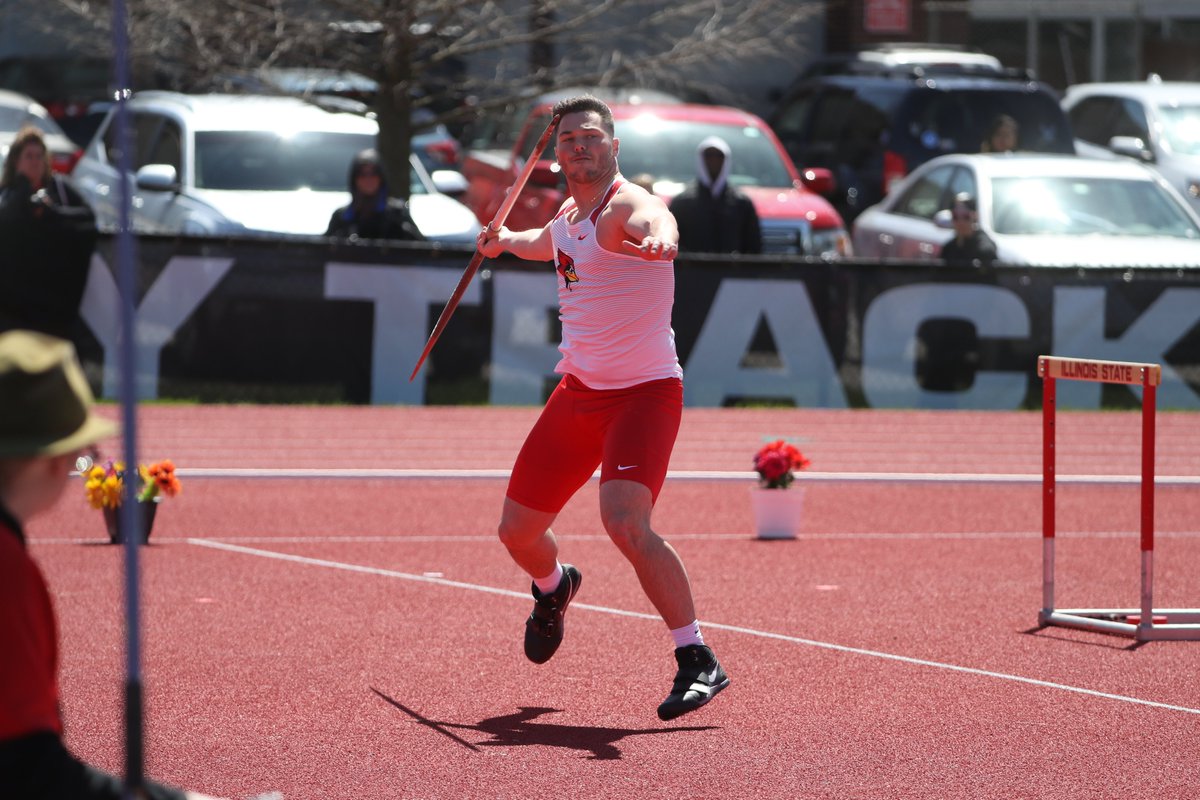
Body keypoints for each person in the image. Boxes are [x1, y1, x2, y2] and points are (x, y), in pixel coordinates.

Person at [476, 95, 729, 722]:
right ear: (555, 153)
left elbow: (657, 222)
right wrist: (506, 242)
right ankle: (554, 587)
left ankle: (696, 657)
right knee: (516, 532)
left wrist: (660, 243)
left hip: (643, 395)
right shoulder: (569, 213)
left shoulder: (627, 206)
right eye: (567, 141)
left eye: (590, 137)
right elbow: (552, 244)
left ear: (614, 146)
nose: (578, 147)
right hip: (580, 394)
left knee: (625, 522)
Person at [0, 330, 229, 800]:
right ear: (49, 460)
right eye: (83, 452)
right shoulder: (7, 573)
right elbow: (28, 772)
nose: (85, 463)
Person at [0, 126, 97, 338]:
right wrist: (23, 189)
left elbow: (88, 218)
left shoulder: (60, 189)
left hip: (53, 302)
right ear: (16, 161)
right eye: (28, 156)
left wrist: (53, 213)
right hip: (13, 305)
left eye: (39, 156)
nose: (35, 162)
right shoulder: (7, 193)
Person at [669, 135, 762, 254]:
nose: (714, 160)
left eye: (719, 156)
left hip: (732, 271)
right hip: (694, 271)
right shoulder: (682, 202)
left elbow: (753, 246)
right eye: (708, 156)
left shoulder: (742, 202)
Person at [325, 149, 425, 241]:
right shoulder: (342, 217)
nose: (368, 179)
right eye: (362, 174)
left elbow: (421, 248)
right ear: (354, 179)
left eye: (373, 174)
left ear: (381, 178)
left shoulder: (397, 214)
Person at [940, 192, 997, 267]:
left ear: (975, 216)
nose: (960, 222)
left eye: (965, 216)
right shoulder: (948, 249)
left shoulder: (984, 246)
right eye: (955, 217)